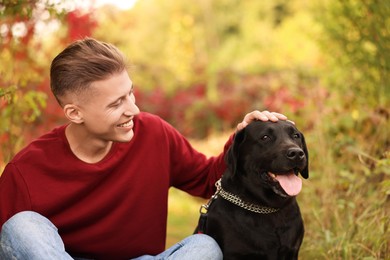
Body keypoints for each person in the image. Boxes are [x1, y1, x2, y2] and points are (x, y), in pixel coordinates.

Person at [0, 38, 287, 260]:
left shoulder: (153, 134)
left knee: (205, 247)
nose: (134, 109)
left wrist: (241, 138)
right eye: (116, 104)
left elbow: (208, 180)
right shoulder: (27, 171)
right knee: (22, 226)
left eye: (130, 94)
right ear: (75, 113)